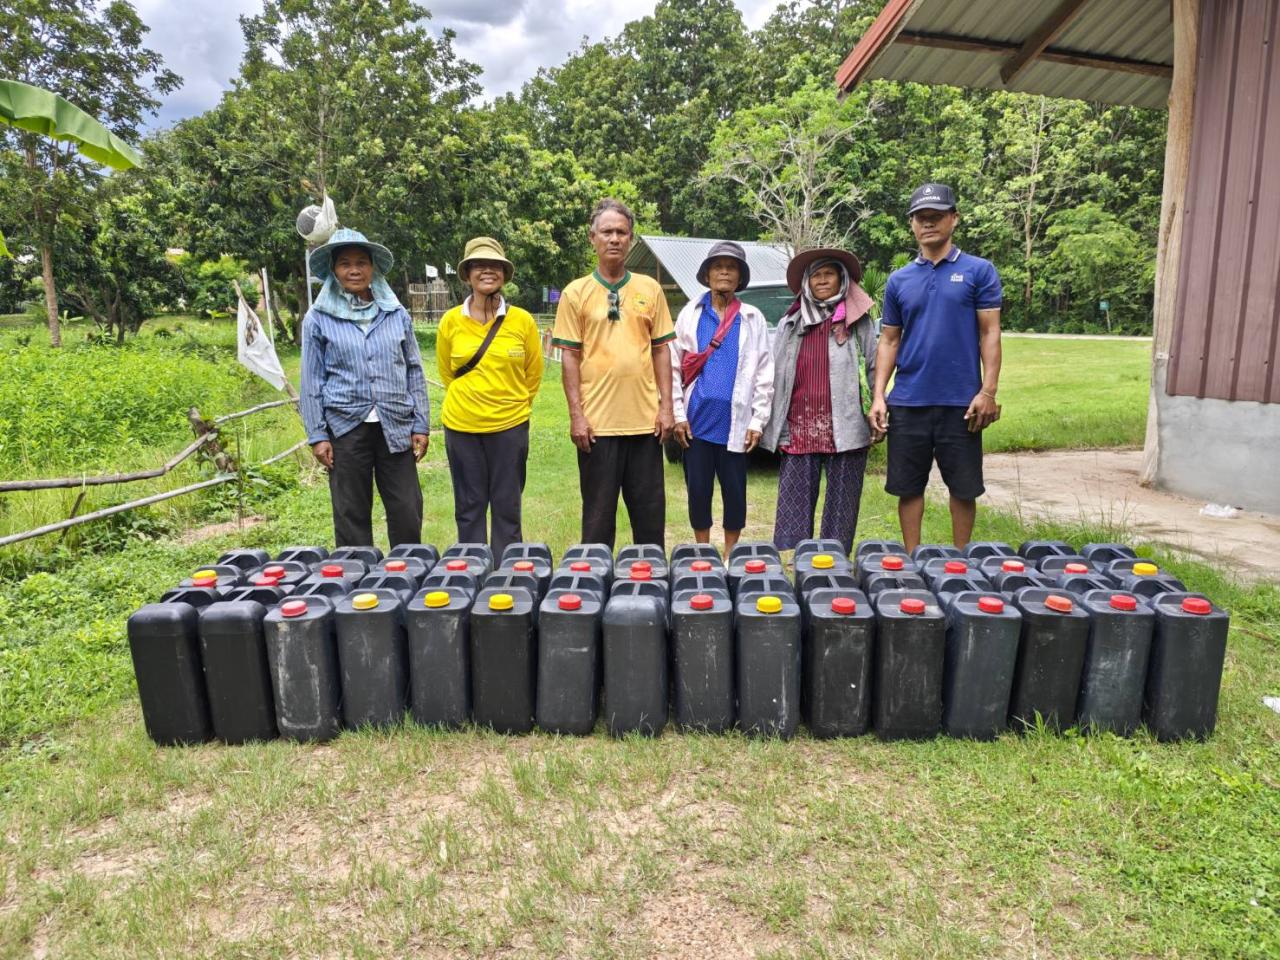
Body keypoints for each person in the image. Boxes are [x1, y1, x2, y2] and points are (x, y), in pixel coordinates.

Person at [870, 183, 1003, 553]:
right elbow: (889, 340)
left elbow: (990, 332)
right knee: (908, 487)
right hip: (908, 400)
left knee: (963, 488)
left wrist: (988, 391)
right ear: (912, 224)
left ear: (953, 218)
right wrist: (879, 396)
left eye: (936, 216)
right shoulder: (899, 280)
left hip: (962, 402)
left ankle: (961, 561)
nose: (928, 223)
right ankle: (913, 558)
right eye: (920, 217)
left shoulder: (979, 271)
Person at [551, 198, 675, 548]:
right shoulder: (575, 293)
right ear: (592, 238)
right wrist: (577, 415)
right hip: (597, 428)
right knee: (597, 522)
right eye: (607, 232)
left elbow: (661, 350)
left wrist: (667, 408)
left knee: (650, 521)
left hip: (645, 425)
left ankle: (650, 578)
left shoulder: (650, 289)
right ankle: (596, 580)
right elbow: (570, 357)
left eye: (622, 232)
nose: (615, 238)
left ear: (631, 239)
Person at [301, 227, 430, 548]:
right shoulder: (318, 318)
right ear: (333, 270)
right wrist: (317, 435)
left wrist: (421, 424)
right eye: (345, 263)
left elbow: (414, 369)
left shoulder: (395, 314)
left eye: (361, 262)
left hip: (395, 424)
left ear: (373, 268)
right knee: (351, 511)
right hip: (345, 427)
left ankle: (407, 569)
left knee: (406, 508)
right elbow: (311, 380)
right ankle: (356, 573)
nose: (354, 270)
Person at [761, 247, 878, 556]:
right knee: (794, 505)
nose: (822, 280)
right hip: (799, 424)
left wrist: (876, 408)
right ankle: (797, 561)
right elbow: (776, 372)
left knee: (842, 504)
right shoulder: (791, 322)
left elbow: (874, 367)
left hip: (846, 426)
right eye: (816, 275)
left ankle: (834, 560)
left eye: (829, 274)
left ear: (842, 280)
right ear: (807, 282)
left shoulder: (858, 321)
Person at [436, 237, 543, 560]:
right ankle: (472, 572)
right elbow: (447, 373)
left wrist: (512, 405)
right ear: (467, 274)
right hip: (461, 426)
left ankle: (506, 576)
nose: (487, 271)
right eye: (479, 265)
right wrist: (472, 401)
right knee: (469, 507)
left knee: (507, 506)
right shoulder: (450, 321)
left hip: (510, 427)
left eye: (494, 265)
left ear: (504, 274)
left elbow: (533, 373)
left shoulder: (522, 321)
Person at [669, 240, 774, 555]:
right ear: (707, 275)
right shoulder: (691, 314)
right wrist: (678, 415)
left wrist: (757, 420)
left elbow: (765, 372)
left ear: (740, 277)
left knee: (735, 493)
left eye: (731, 267)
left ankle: (730, 555)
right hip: (696, 424)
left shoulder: (752, 318)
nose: (724, 272)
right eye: (718, 267)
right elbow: (674, 366)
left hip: (735, 424)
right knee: (698, 492)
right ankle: (703, 552)